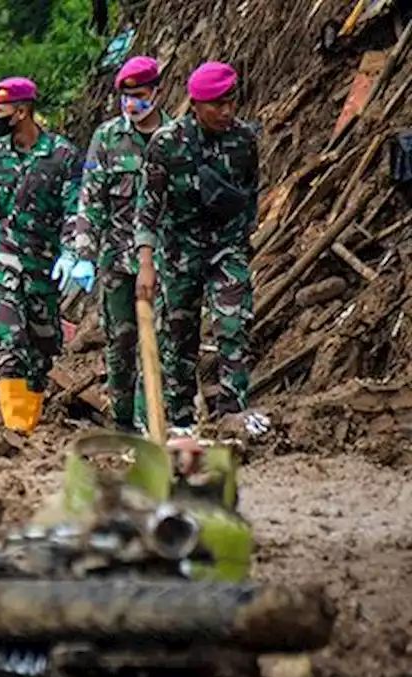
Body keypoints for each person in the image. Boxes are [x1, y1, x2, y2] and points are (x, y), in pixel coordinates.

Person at [136, 61, 259, 431]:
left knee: (233, 325)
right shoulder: (166, 144)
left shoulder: (243, 140)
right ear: (194, 104)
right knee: (179, 339)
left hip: (226, 247)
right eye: (216, 105)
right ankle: (180, 420)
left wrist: (240, 241)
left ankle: (232, 414)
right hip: (179, 251)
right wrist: (146, 262)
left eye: (230, 102)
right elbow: (148, 207)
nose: (226, 112)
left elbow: (250, 193)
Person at [0, 77, 82, 435]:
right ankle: (14, 426)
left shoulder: (62, 156)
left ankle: (29, 423)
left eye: (0, 111)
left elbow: (75, 210)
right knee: (9, 341)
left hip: (44, 266)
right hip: (2, 263)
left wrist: (74, 252)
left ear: (21, 111)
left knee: (41, 349)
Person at [67, 57, 171, 433]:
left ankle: (149, 424)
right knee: (121, 340)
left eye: (139, 96)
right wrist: (83, 254)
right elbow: (91, 201)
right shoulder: (108, 138)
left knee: (157, 341)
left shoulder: (174, 138)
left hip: (161, 258)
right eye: (126, 97)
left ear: (157, 92)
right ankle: (123, 420)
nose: (132, 105)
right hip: (115, 257)